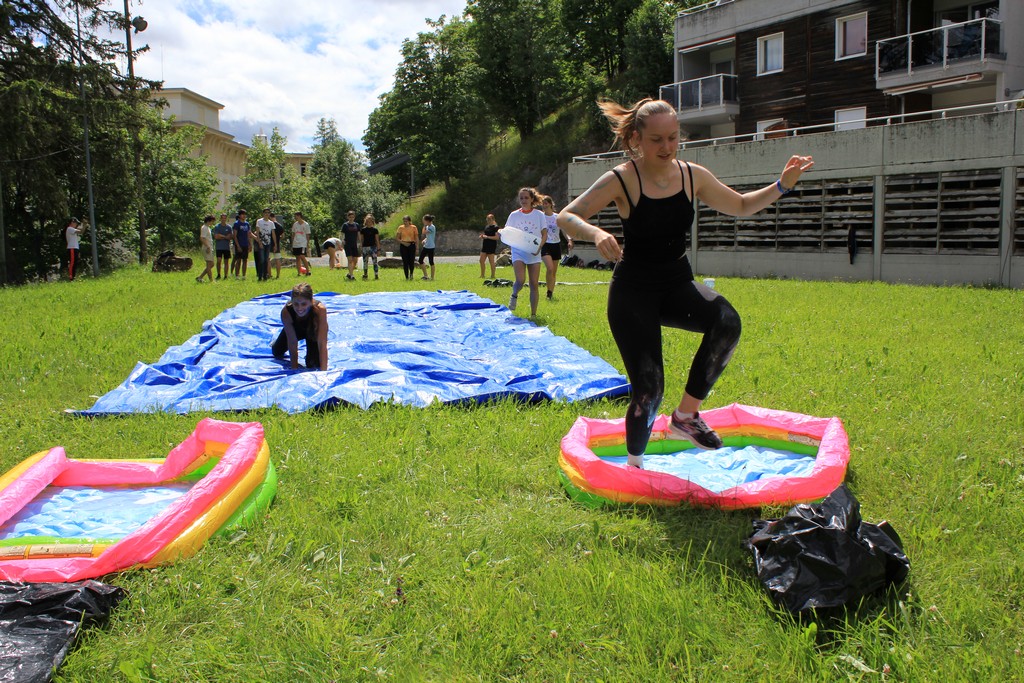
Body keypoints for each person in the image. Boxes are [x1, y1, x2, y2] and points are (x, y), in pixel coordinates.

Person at [557, 97, 814, 468]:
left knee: (727, 322)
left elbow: (741, 205)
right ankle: (634, 466)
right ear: (637, 140)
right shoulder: (622, 178)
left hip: (676, 283)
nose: (666, 147)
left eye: (673, 138)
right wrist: (595, 233)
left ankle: (686, 417)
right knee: (649, 388)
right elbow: (568, 215)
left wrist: (781, 185)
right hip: (633, 292)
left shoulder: (693, 175)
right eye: (657, 140)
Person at [505, 188, 547, 317]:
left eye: (526, 198)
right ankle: (514, 294)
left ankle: (533, 314)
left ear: (532, 199)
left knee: (534, 283)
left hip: (534, 252)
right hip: (518, 251)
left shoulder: (539, 215)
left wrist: (538, 248)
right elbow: (508, 232)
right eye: (521, 198)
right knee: (521, 280)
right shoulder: (514, 215)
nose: (523, 200)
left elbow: (544, 234)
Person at [271, 282, 329, 371]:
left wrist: (324, 371)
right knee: (277, 352)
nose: (300, 308)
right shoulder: (286, 312)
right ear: (292, 302)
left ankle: (311, 356)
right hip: (296, 329)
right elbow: (292, 342)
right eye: (296, 304)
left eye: (304, 304)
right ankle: (275, 343)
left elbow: (322, 343)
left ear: (311, 301)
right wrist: (294, 368)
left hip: (312, 330)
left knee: (314, 363)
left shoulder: (320, 310)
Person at [540, 196, 571, 299]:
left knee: (553, 271)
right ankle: (549, 291)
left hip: (555, 245)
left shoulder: (557, 217)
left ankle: (550, 292)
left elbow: (564, 230)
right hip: (545, 244)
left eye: (545, 203)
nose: (544, 205)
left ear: (550, 204)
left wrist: (569, 240)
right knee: (549, 268)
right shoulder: (541, 217)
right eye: (542, 203)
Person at [254, 208, 276, 282]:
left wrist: (275, 244)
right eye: (265, 212)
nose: (267, 214)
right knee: (261, 260)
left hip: (268, 243)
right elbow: (257, 232)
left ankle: (265, 275)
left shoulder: (271, 223)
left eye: (268, 213)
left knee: (266, 260)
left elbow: (273, 233)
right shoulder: (259, 221)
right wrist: (259, 242)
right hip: (261, 243)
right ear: (263, 213)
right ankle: (260, 275)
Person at [396, 215, 418, 281]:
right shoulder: (400, 228)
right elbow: (397, 238)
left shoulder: (414, 227)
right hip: (403, 245)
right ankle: (406, 276)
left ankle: (411, 274)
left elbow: (416, 237)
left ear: (409, 221)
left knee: (411, 261)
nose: (405, 222)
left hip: (412, 244)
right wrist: (403, 243)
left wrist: (417, 248)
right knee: (405, 262)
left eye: (406, 221)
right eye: (404, 221)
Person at [341, 210, 361, 281]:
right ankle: (352, 275)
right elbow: (342, 234)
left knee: (355, 260)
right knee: (350, 260)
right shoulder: (345, 225)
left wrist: (360, 242)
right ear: (348, 217)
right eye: (350, 217)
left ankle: (349, 273)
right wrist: (342, 241)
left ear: (354, 217)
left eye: (352, 217)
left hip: (354, 244)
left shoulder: (357, 225)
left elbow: (358, 234)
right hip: (348, 244)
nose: (351, 218)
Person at [231, 210, 252, 279]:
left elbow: (248, 235)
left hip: (245, 244)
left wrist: (250, 244)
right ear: (239, 215)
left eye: (245, 214)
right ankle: (237, 275)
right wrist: (238, 245)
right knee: (238, 260)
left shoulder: (247, 224)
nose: (244, 216)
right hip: (239, 244)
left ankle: (244, 275)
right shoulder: (237, 224)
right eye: (242, 214)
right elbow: (235, 236)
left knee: (245, 260)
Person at [479, 213, 500, 279]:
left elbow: (497, 237)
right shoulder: (487, 227)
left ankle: (493, 275)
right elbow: (486, 234)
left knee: (491, 261)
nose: (488, 221)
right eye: (487, 219)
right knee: (481, 260)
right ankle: (482, 275)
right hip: (485, 245)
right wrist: (482, 236)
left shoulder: (496, 227)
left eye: (489, 219)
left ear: (493, 219)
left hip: (491, 245)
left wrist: (487, 237)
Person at [360, 214, 381, 280]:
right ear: (365, 221)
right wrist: (361, 248)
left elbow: (377, 240)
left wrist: (378, 249)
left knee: (375, 261)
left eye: (370, 221)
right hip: (365, 247)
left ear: (372, 221)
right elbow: (361, 240)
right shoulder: (363, 230)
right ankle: (365, 274)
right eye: (367, 221)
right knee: (365, 262)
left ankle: (376, 274)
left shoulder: (375, 230)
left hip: (373, 247)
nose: (368, 222)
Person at [291, 212, 312, 276]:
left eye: (296, 216)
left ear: (299, 216)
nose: (295, 218)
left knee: (302, 256)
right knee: (297, 258)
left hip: (302, 243)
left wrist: (307, 244)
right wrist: (292, 243)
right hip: (296, 243)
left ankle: (308, 271)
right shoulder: (295, 224)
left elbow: (307, 235)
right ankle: (299, 272)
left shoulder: (306, 224)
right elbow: (293, 234)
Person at [213, 213, 233, 280]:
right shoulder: (217, 227)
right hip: (219, 247)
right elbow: (216, 236)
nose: (224, 219)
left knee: (226, 261)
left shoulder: (229, 227)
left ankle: (226, 275)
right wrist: (224, 236)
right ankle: (218, 274)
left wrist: (221, 236)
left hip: (226, 247)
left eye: (225, 218)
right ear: (220, 219)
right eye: (222, 218)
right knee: (219, 260)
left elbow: (230, 237)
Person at [196, 215, 215, 283]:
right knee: (209, 264)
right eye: (212, 221)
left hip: (210, 247)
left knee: (212, 264)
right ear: (209, 220)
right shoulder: (204, 228)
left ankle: (200, 277)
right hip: (207, 247)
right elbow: (202, 238)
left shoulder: (208, 228)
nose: (212, 223)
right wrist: (207, 246)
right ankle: (211, 280)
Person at [418, 214, 437, 280]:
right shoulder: (428, 226)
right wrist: (425, 239)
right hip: (426, 246)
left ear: (427, 221)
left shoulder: (432, 227)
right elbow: (429, 235)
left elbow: (423, 232)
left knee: (431, 262)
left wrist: (424, 226)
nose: (423, 222)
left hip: (431, 247)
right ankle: (426, 275)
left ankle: (432, 277)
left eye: (424, 220)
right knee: (420, 260)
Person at [271, 213, 285, 279]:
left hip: (269, 244)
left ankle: (269, 274)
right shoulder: (279, 226)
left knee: (268, 260)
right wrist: (278, 238)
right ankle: (278, 275)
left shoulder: (269, 224)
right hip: (277, 244)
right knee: (277, 260)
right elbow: (283, 236)